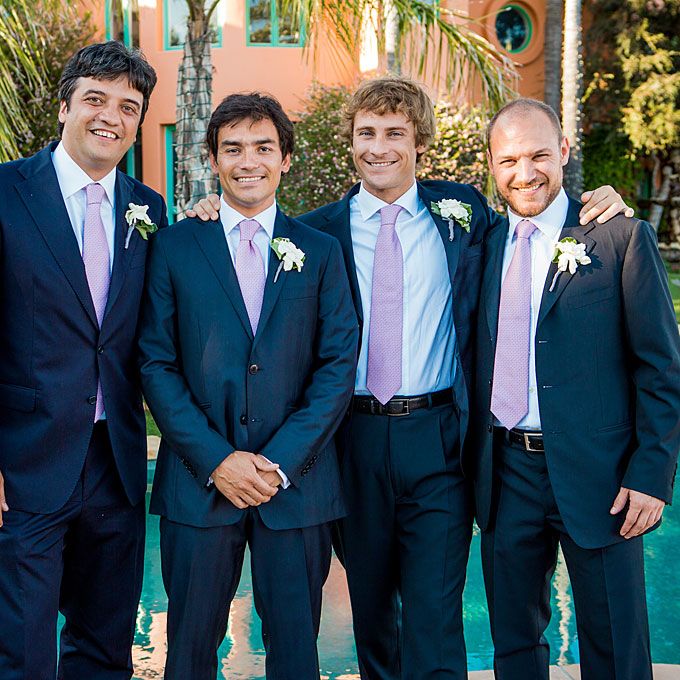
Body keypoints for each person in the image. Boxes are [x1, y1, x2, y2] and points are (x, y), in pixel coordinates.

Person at [189, 76, 631, 680]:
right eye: (366, 134)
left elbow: (539, 209)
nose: (380, 148)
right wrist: (207, 207)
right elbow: (243, 238)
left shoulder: (464, 215)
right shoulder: (317, 234)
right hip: (351, 440)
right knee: (372, 615)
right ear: (349, 143)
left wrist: (596, 201)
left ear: (418, 140)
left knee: (436, 617)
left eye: (395, 133)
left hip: (440, 439)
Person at [138, 92, 358, 680]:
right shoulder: (175, 246)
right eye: (232, 148)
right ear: (213, 158)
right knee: (187, 653)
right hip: (198, 485)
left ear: (285, 158)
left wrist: (278, 462)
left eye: (263, 147)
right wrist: (217, 460)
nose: (248, 161)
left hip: (297, 488)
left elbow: (337, 366)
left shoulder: (322, 251)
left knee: (295, 655)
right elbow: (156, 363)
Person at [468, 98, 680, 680]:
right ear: (492, 164)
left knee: (616, 648)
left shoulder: (619, 238)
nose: (525, 172)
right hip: (505, 475)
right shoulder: (480, 245)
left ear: (563, 151)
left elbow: (661, 369)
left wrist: (651, 475)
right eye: (509, 160)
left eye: (539, 154)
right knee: (514, 647)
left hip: (603, 478)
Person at [0, 41, 166, 679]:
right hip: (25, 464)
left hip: (117, 464)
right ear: (64, 106)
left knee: (105, 649)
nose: (111, 117)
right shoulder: (8, 191)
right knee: (23, 653)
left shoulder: (147, 209)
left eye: (129, 107)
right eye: (96, 99)